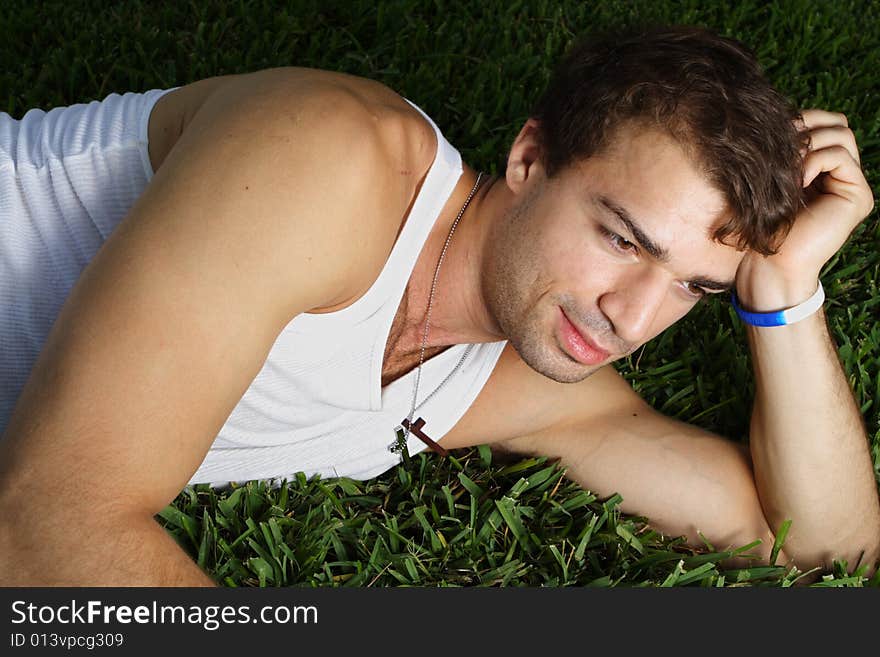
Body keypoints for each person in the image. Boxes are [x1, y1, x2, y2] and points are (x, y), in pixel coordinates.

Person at [0, 24, 877, 587]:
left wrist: (785, 291)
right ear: (531, 158)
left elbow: (820, 550)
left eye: (694, 285)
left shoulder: (517, 378)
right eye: (622, 237)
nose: (633, 317)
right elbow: (39, 521)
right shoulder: (331, 158)